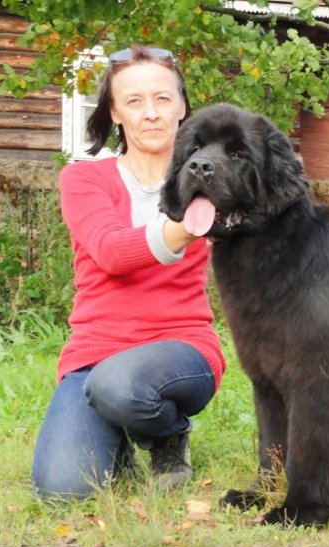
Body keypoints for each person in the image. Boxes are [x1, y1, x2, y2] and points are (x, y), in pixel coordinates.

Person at [31, 45, 225, 499]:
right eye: (134, 102)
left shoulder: (208, 179)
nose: (150, 113)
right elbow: (111, 251)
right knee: (63, 489)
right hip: (94, 355)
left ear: (181, 106)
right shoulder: (84, 180)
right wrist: (191, 227)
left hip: (182, 348)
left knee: (120, 383)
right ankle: (117, 440)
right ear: (115, 112)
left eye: (162, 98)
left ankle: (168, 434)